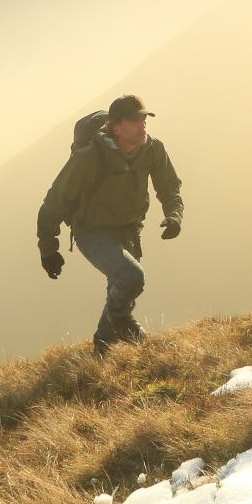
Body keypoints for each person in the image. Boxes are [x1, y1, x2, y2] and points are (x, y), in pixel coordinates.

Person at [36, 94, 184, 354]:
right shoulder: (89, 158)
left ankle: (101, 352)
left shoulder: (152, 149)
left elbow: (169, 186)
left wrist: (174, 216)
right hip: (92, 231)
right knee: (131, 277)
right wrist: (49, 248)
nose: (143, 125)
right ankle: (123, 322)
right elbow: (54, 202)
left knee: (119, 289)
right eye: (135, 120)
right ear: (117, 127)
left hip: (129, 229)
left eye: (144, 119)